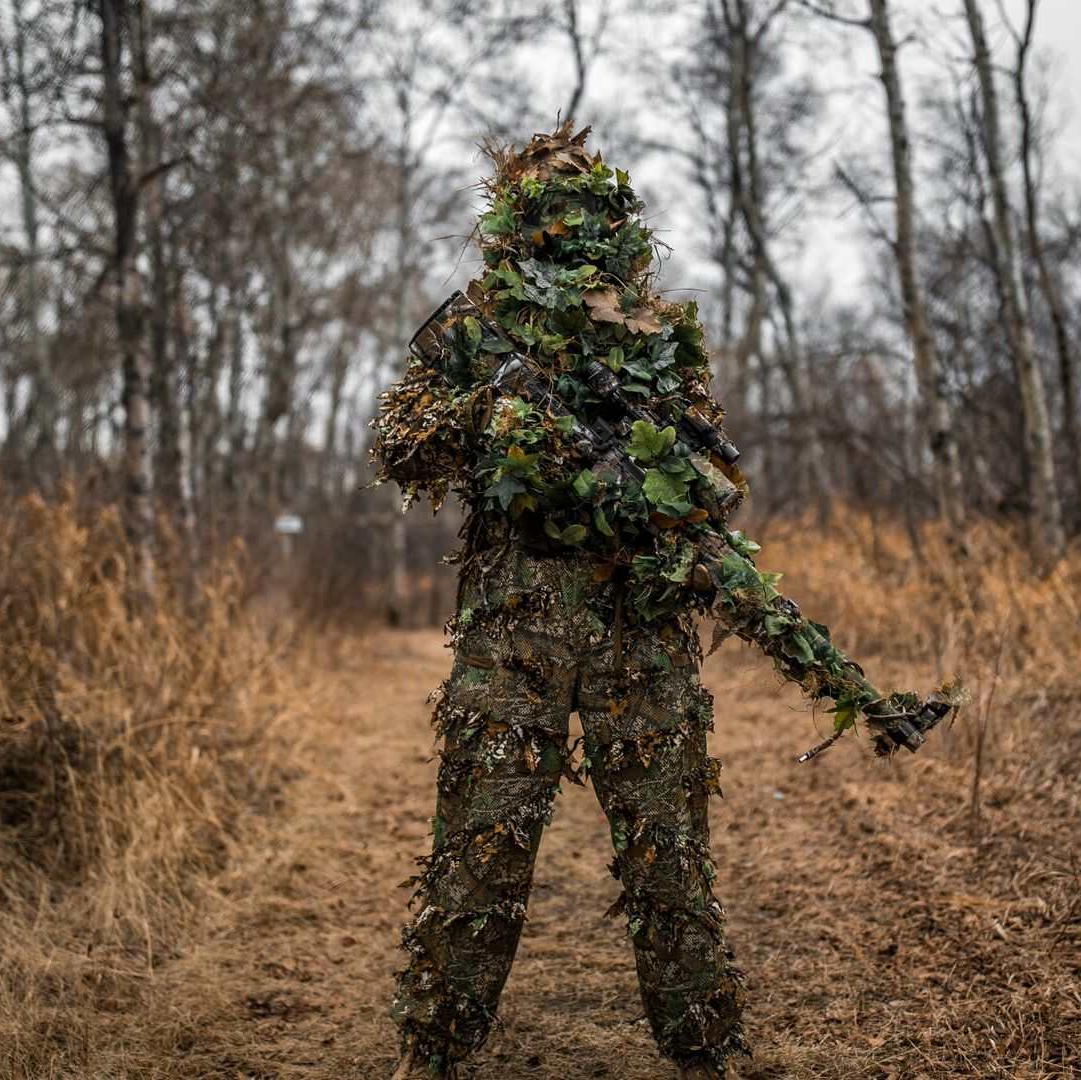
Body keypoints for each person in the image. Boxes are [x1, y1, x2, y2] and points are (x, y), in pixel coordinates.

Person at [372, 124, 953, 1080]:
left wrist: (648, 504)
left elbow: (694, 482)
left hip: (641, 632)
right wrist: (493, 420)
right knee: (480, 855)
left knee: (670, 861)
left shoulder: (651, 340)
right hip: (513, 627)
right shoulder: (474, 330)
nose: (571, 225)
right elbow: (400, 443)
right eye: (550, 203)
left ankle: (705, 1051)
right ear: (515, 215)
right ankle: (432, 1052)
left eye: (586, 205)